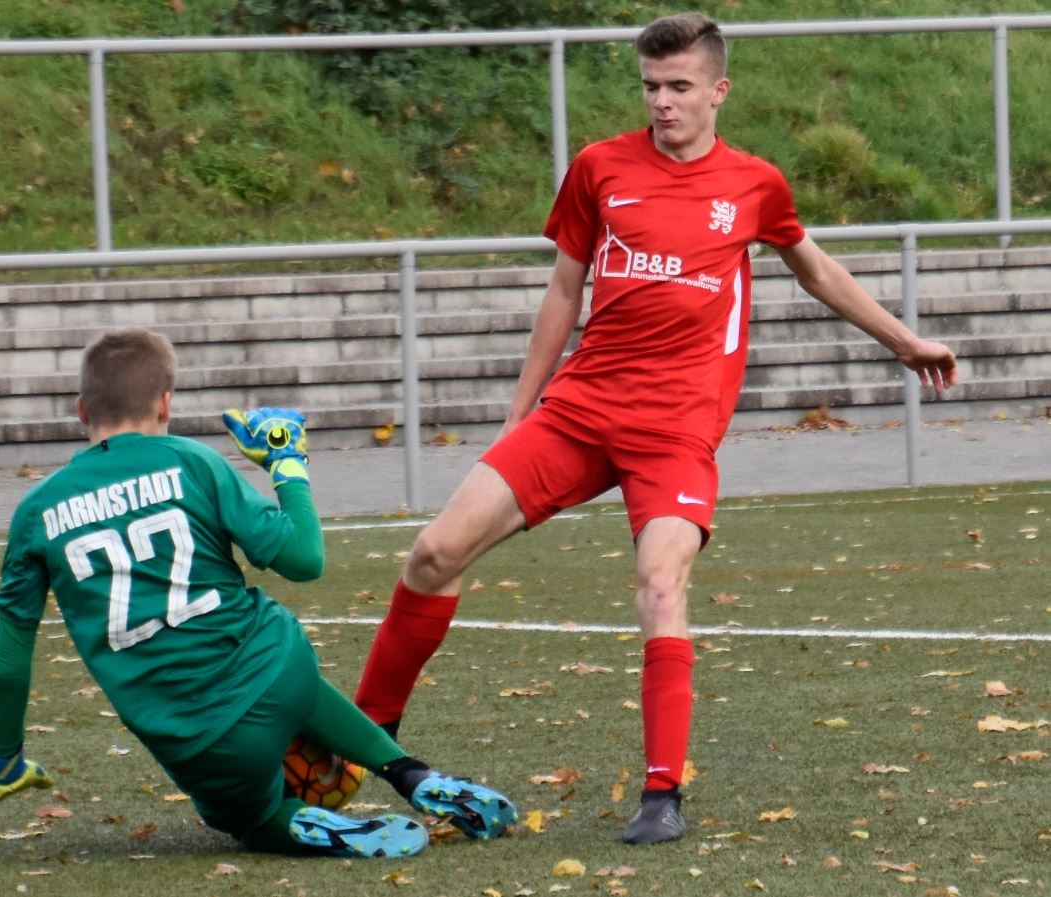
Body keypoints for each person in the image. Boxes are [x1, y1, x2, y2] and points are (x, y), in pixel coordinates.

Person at [352, 11, 958, 845]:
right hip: (579, 410)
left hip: (675, 430)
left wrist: (904, 340)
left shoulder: (754, 184)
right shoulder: (599, 167)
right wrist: (519, 410)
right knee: (433, 551)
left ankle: (661, 794)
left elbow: (815, 268)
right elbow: (563, 290)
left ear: (718, 90)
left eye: (678, 86)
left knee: (660, 584)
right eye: (650, 87)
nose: (662, 102)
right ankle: (359, 740)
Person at [0, 327, 517, 858]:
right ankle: (410, 773)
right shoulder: (193, 461)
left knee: (242, 818)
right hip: (281, 667)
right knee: (280, 668)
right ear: (165, 404)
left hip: (197, 735)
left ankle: (297, 825)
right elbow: (304, 560)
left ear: (81, 409)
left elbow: (10, 663)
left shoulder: (36, 512)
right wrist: (288, 465)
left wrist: (5, 758)